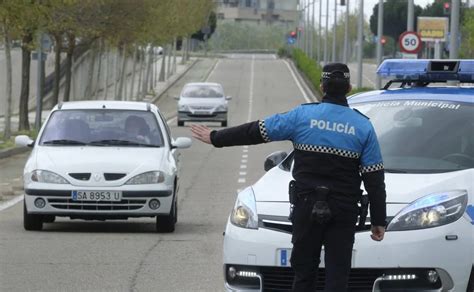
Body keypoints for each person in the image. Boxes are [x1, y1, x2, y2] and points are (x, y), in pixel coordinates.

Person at [192, 63, 387, 291]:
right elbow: (374, 179)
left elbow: (257, 131)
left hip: (305, 207)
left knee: (303, 273)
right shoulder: (363, 126)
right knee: (338, 275)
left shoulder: (301, 116)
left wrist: (216, 137)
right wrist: (378, 220)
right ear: (349, 88)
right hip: (344, 210)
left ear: (322, 86)